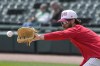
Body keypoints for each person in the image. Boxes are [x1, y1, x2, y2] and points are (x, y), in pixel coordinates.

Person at [32, 10, 100, 66]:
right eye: (62, 22)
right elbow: (88, 54)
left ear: (73, 20)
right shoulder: (77, 30)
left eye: (65, 21)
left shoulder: (76, 30)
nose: (63, 24)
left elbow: (60, 34)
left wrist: (40, 37)